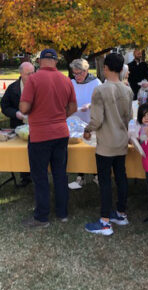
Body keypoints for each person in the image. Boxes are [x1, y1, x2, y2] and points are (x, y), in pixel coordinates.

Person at [19, 48, 77, 228]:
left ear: (40, 61)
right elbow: (73, 107)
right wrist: (59, 117)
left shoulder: (34, 79)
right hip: (61, 133)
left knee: (40, 176)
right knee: (60, 174)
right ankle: (62, 213)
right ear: (56, 62)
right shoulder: (66, 80)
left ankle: (42, 217)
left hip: (40, 135)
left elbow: (24, 108)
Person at [84, 53, 133, 236]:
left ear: (105, 68)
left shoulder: (100, 90)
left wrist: (88, 129)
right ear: (122, 69)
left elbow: (96, 119)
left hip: (105, 144)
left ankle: (105, 221)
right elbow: (129, 117)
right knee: (121, 177)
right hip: (121, 141)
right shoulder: (127, 90)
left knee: (105, 181)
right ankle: (121, 213)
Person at [67, 58, 102, 190]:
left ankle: (95, 174)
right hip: (75, 121)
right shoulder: (71, 83)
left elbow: (101, 101)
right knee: (78, 150)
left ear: (86, 70)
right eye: (74, 73)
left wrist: (90, 105)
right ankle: (80, 176)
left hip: (90, 121)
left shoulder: (96, 83)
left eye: (79, 73)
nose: (77, 77)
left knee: (92, 149)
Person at [1, 62, 35, 187]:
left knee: (36, 151)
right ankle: (25, 177)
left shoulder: (40, 85)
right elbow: (4, 106)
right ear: (21, 74)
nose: (32, 76)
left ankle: (37, 174)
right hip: (19, 127)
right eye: (28, 74)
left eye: (33, 72)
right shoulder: (12, 88)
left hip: (37, 126)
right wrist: (16, 113)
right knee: (21, 152)